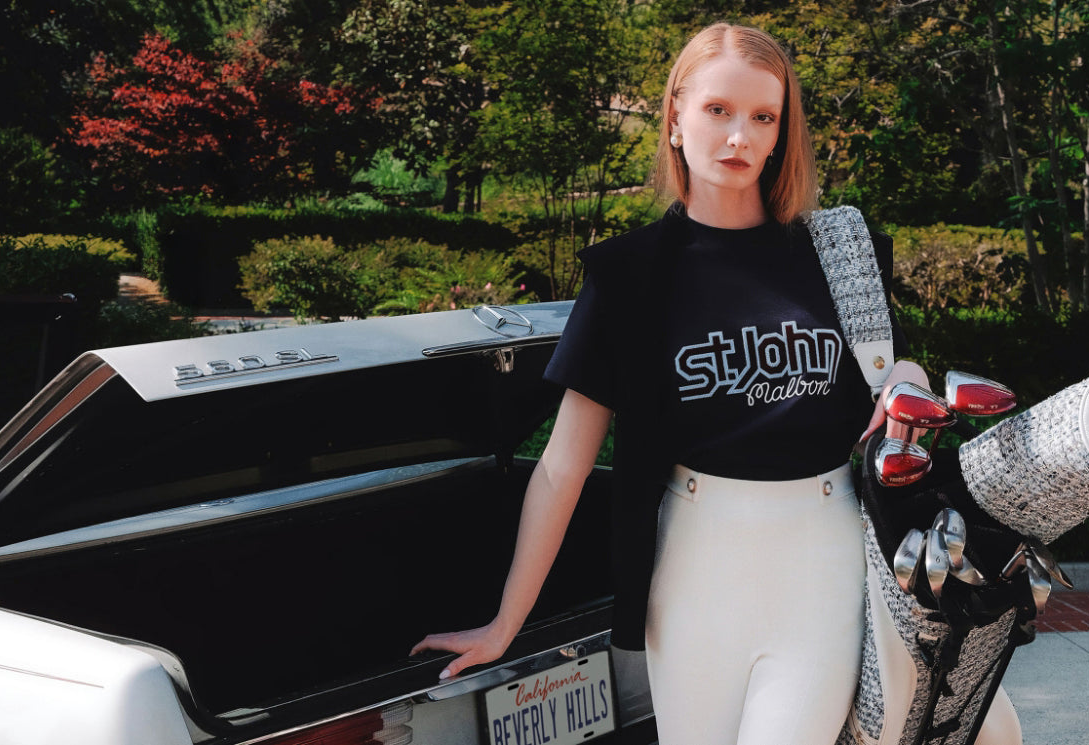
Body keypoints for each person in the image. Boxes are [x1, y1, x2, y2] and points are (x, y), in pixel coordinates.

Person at [410, 22, 1018, 745]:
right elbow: (562, 466)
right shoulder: (628, 275)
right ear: (674, 116)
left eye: (764, 117)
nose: (741, 137)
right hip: (692, 566)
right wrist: (505, 621)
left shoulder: (838, 247)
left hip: (817, 555)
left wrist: (904, 386)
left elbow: (894, 365)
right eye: (718, 111)